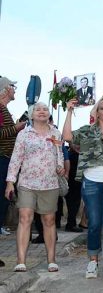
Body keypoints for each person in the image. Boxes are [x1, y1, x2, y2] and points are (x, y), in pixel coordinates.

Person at [62, 94, 103, 282]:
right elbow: (67, 136)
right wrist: (69, 111)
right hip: (91, 181)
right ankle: (93, 260)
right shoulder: (88, 130)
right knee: (93, 224)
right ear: (97, 112)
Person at [5, 102, 65, 272]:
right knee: (25, 218)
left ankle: (52, 260)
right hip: (27, 183)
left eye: (45, 109)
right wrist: (10, 182)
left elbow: (59, 154)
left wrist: (60, 166)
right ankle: (21, 261)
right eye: (38, 109)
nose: (42, 112)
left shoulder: (56, 133)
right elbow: (16, 159)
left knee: (49, 220)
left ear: (48, 114)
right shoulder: (24, 135)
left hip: (49, 183)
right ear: (31, 115)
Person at [0, 77, 26, 248]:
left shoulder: (4, 110)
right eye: (13, 86)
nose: (15, 89)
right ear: (5, 90)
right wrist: (16, 128)